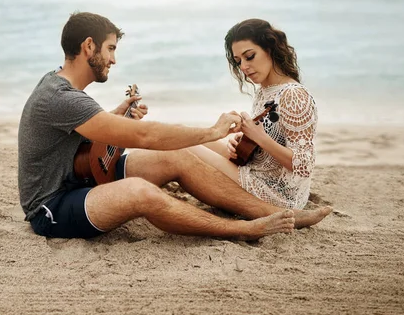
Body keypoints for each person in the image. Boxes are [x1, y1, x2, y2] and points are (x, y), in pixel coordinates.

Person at [18, 12, 331, 241]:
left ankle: (266, 211)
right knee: (140, 192)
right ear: (89, 46)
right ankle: (244, 229)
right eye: (110, 48)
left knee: (178, 157)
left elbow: (86, 133)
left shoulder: (60, 87)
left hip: (82, 176)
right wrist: (212, 132)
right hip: (53, 206)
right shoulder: (62, 97)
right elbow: (145, 136)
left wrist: (118, 114)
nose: (113, 60)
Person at [189, 18, 324, 210]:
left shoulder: (294, 95)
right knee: (185, 135)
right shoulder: (264, 91)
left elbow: (303, 165)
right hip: (255, 171)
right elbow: (268, 144)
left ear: (270, 49)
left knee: (183, 149)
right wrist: (240, 141)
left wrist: (259, 137)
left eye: (249, 56)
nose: (243, 67)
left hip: (277, 194)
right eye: (238, 61)